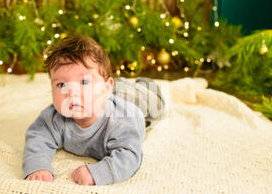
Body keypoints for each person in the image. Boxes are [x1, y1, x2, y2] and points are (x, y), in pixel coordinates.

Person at [22, 35, 165, 185]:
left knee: (154, 103)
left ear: (107, 87)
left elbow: (129, 156)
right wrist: (37, 166)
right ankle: (116, 83)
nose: (72, 92)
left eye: (84, 82)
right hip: (107, 92)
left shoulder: (121, 121)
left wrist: (98, 173)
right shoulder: (54, 117)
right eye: (61, 85)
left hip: (132, 101)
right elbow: (37, 138)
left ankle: (142, 85)